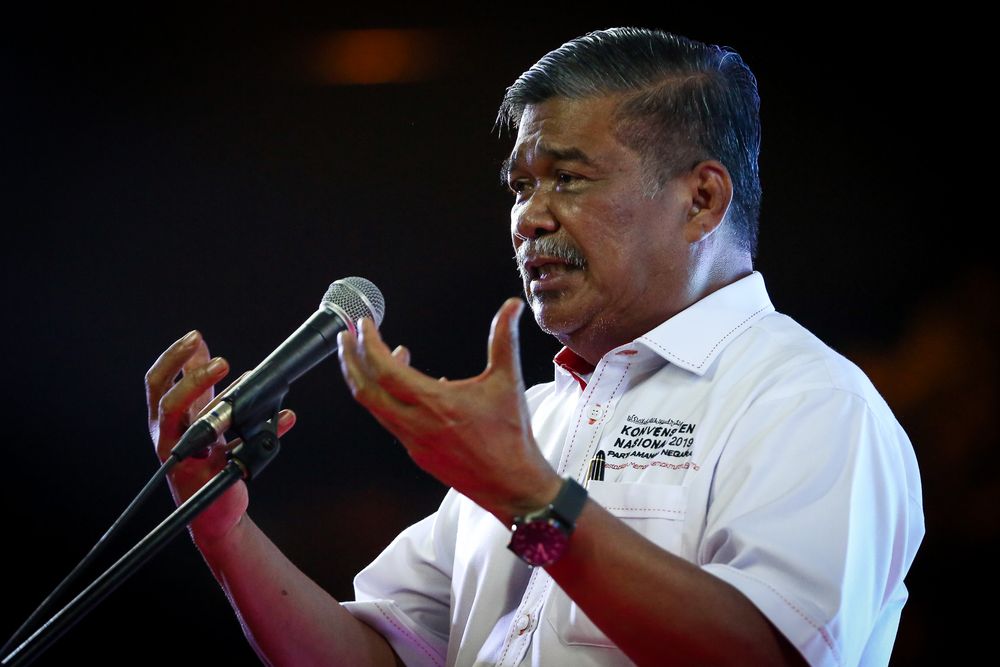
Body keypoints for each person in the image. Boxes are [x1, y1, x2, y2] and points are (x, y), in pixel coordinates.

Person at [145, 27, 924, 666]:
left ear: (701, 198)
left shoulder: (810, 401)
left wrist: (529, 496)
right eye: (521, 187)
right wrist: (223, 531)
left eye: (569, 180)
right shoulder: (536, 419)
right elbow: (370, 658)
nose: (529, 218)